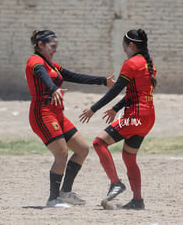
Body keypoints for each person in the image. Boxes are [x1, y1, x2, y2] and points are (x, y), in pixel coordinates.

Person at [25, 30, 115, 207]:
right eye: (52, 46)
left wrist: (102, 81)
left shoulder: (53, 66)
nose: (55, 50)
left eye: (56, 47)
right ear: (40, 45)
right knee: (61, 153)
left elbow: (74, 76)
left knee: (82, 149)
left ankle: (65, 192)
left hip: (57, 113)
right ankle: (53, 199)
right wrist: (53, 89)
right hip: (42, 113)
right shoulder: (35, 62)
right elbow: (41, 75)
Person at [79, 29, 156, 210]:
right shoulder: (148, 63)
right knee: (129, 157)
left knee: (99, 142)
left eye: (124, 46)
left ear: (131, 45)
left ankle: (116, 183)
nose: (123, 49)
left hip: (135, 116)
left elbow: (116, 90)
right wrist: (115, 109)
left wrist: (93, 108)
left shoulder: (131, 63)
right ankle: (137, 201)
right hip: (147, 118)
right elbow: (133, 94)